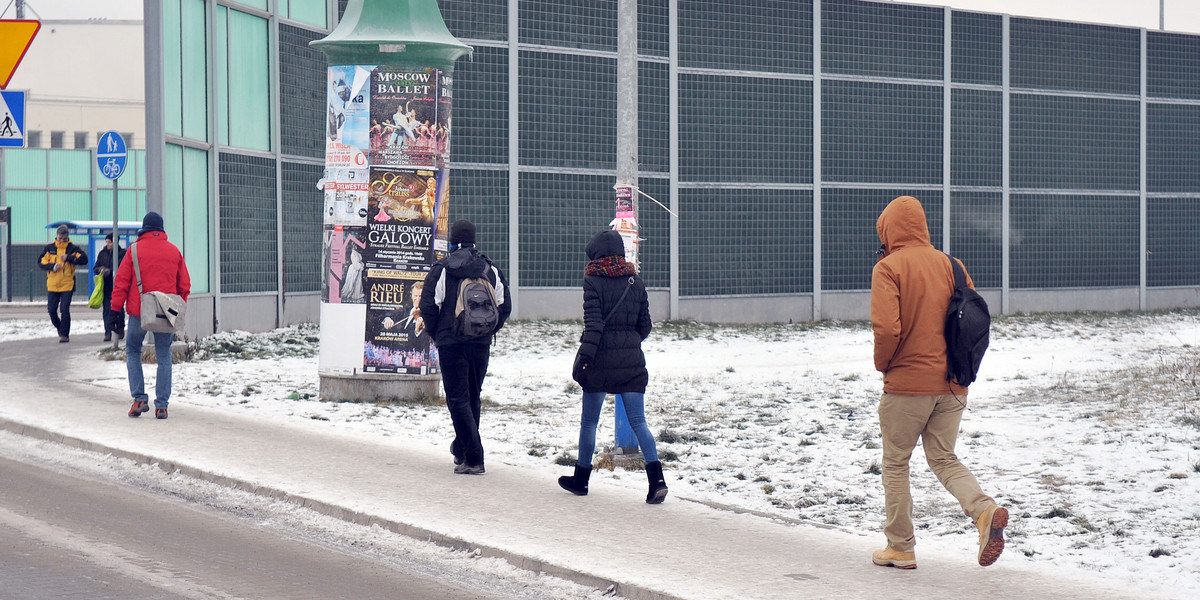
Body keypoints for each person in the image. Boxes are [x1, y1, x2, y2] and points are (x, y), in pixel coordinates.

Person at [869, 195, 1007, 570]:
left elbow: (887, 330)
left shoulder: (888, 268)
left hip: (907, 386)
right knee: (944, 458)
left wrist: (884, 366)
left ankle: (900, 547)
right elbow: (971, 321)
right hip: (953, 385)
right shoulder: (953, 265)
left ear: (888, 229)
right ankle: (984, 512)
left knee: (896, 462)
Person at [557, 229, 668, 504]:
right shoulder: (635, 281)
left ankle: (581, 479)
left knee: (589, 422)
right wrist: (628, 343)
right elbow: (645, 326)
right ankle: (657, 482)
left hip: (599, 362)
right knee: (639, 422)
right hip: (631, 362)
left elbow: (593, 326)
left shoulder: (593, 280)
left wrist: (584, 360)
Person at [418, 220, 511, 475]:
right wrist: (488, 330)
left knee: (458, 400)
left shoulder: (443, 269)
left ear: (452, 241)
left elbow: (428, 305)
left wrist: (438, 333)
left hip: (451, 343)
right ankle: (461, 450)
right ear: (474, 240)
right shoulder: (490, 269)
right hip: (480, 343)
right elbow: (504, 306)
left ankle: (474, 457)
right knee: (472, 397)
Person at [110, 212, 191, 420]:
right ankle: (162, 406)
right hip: (165, 314)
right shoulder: (174, 251)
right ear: (161, 229)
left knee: (133, 349)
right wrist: (176, 307)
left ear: (144, 228)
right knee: (164, 356)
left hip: (139, 312)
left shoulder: (134, 250)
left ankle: (139, 399)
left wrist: (115, 309)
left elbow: (121, 283)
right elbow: (184, 285)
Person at [38, 224, 88, 343]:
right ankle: (60, 328)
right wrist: (53, 266)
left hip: (67, 284)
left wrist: (69, 258)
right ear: (57, 236)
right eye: (60, 238)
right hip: (53, 285)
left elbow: (84, 259)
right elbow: (41, 262)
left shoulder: (73, 248)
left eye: (64, 238)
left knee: (64, 309)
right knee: (51, 310)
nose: (62, 240)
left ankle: (64, 335)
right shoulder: (49, 249)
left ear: (67, 237)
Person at [93, 233, 126, 342]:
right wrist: (100, 270)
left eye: (110, 242)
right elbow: (95, 267)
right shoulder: (102, 253)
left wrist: (110, 271)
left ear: (115, 242)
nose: (107, 244)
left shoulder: (122, 254)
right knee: (106, 309)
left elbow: (123, 267)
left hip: (118, 285)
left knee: (119, 308)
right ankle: (108, 332)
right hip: (106, 285)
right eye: (106, 242)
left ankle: (120, 328)